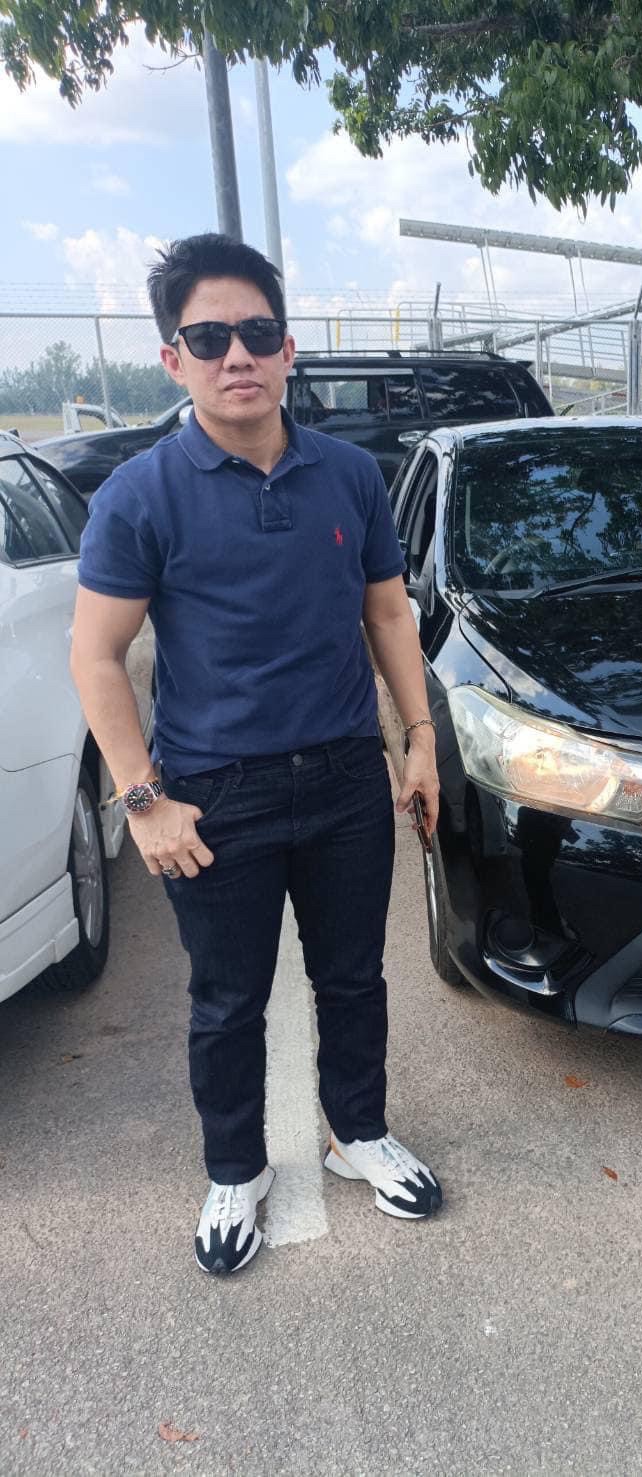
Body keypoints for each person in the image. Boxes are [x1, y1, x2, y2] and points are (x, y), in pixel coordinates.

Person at [70, 234, 443, 1275]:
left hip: (344, 777)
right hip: (212, 796)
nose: (236, 354)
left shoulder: (349, 477)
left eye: (257, 332)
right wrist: (143, 798)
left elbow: (387, 614)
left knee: (353, 979)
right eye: (208, 337)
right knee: (227, 1001)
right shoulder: (140, 495)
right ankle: (235, 1170)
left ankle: (356, 1133)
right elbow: (96, 656)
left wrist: (417, 741)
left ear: (288, 349)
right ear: (173, 358)